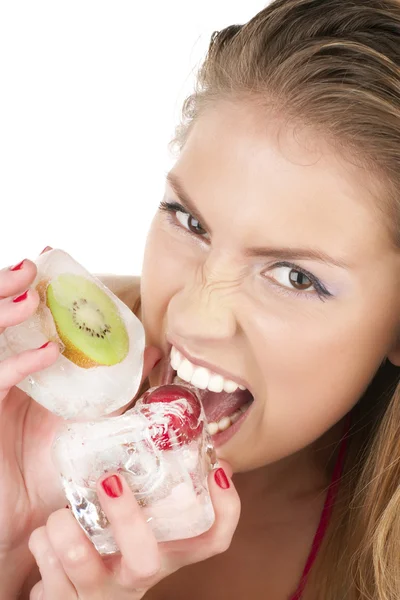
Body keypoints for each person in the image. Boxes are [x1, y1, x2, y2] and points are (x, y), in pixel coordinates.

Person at [1, 0, 400, 598]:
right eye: (189, 221)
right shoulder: (29, 396)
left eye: (295, 276)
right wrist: (9, 542)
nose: (190, 315)